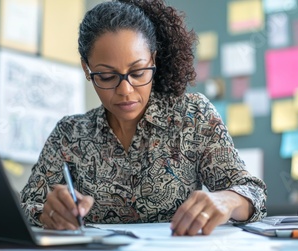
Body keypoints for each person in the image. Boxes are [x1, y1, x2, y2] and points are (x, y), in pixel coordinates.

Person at [20, 0, 267, 236]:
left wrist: (228, 200)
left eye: (138, 72)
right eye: (106, 77)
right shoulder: (69, 134)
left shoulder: (192, 116)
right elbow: (28, 204)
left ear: (154, 60)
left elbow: (253, 193)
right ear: (87, 69)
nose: (125, 90)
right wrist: (48, 213)